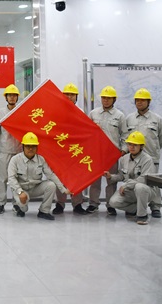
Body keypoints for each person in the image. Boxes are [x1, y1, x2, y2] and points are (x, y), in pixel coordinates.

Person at [8, 132, 70, 220]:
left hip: (35, 188)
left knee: (51, 185)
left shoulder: (41, 159)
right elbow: (11, 178)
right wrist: (20, 192)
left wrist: (63, 189)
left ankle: (44, 211)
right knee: (24, 209)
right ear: (23, 146)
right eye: (28, 146)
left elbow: (50, 175)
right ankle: (18, 206)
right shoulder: (15, 160)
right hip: (22, 189)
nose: (30, 149)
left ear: (37, 147)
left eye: (33, 146)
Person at [126, 88, 162, 219]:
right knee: (135, 182)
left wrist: (153, 150)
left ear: (148, 102)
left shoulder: (157, 119)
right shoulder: (129, 118)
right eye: (137, 100)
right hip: (134, 158)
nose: (139, 102)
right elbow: (126, 136)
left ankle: (155, 207)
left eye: (143, 100)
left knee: (154, 182)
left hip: (151, 157)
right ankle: (135, 206)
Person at [87, 85, 128, 215]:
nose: (106, 100)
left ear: (114, 99)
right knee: (94, 180)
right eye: (104, 97)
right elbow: (87, 132)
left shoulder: (120, 116)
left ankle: (110, 205)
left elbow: (125, 135)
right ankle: (93, 204)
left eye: (109, 98)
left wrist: (123, 150)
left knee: (111, 180)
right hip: (95, 153)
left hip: (112, 154)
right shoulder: (93, 114)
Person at [108, 131, 156, 225]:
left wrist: (125, 186)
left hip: (147, 190)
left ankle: (142, 216)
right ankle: (136, 209)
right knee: (113, 202)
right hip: (130, 190)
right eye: (130, 144)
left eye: (135, 145)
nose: (131, 147)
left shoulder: (147, 159)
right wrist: (111, 176)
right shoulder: (124, 159)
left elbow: (144, 179)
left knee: (139, 187)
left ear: (141, 146)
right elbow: (122, 176)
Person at [54, 82, 87, 215]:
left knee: (77, 177)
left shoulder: (81, 112)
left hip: (75, 149)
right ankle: (59, 204)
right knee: (60, 177)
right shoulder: (56, 111)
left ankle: (77, 204)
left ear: (76, 97)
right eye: (66, 94)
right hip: (61, 149)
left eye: (72, 94)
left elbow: (85, 131)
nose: (69, 97)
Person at [0, 84, 22, 214]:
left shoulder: (21, 111)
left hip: (18, 151)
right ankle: (1, 203)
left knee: (17, 179)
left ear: (17, 97)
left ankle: (16, 203)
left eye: (14, 95)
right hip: (5, 150)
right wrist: (3, 143)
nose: (12, 98)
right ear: (6, 97)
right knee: (3, 179)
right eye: (9, 95)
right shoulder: (0, 113)